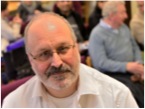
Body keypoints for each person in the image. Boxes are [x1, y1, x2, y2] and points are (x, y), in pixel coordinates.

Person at [2, 12, 138, 108]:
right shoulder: (14, 104)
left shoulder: (117, 97)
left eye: (63, 49)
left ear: (77, 49)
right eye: (44, 54)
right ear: (31, 59)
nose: (57, 63)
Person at [88, 1, 144, 108]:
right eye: (123, 13)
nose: (126, 16)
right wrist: (127, 67)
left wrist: (138, 64)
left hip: (132, 69)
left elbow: (135, 47)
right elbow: (101, 63)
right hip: (113, 75)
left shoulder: (124, 28)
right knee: (132, 94)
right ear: (111, 15)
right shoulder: (97, 34)